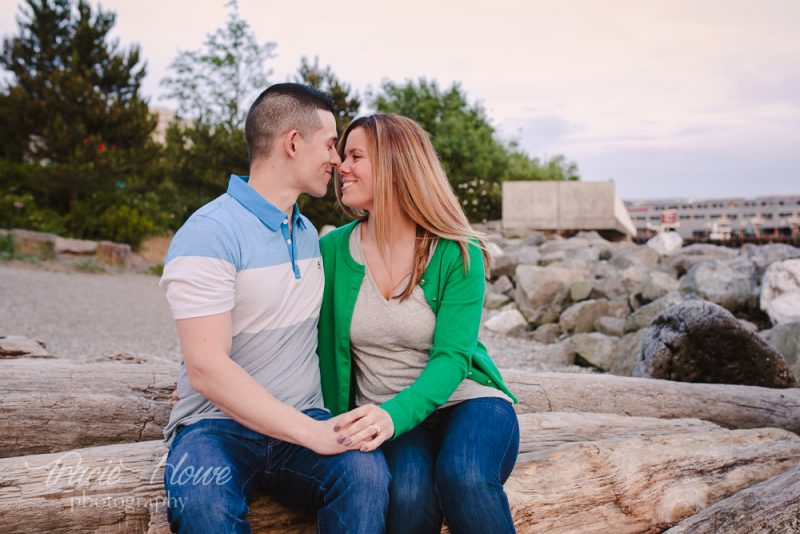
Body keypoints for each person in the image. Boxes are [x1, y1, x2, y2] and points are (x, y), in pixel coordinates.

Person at [158, 84, 390, 534]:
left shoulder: (309, 236)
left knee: (366, 475)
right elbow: (206, 368)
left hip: (305, 417)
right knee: (202, 504)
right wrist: (313, 434)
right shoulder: (208, 233)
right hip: (213, 427)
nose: (338, 161)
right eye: (330, 144)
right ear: (291, 143)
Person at [317, 113, 520, 534]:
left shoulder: (456, 252)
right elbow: (290, 325)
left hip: (468, 403)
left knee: (463, 475)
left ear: (394, 167)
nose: (342, 165)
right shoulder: (333, 251)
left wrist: (393, 415)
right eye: (343, 155)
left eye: (356, 156)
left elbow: (452, 357)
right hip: (389, 417)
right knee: (408, 495)